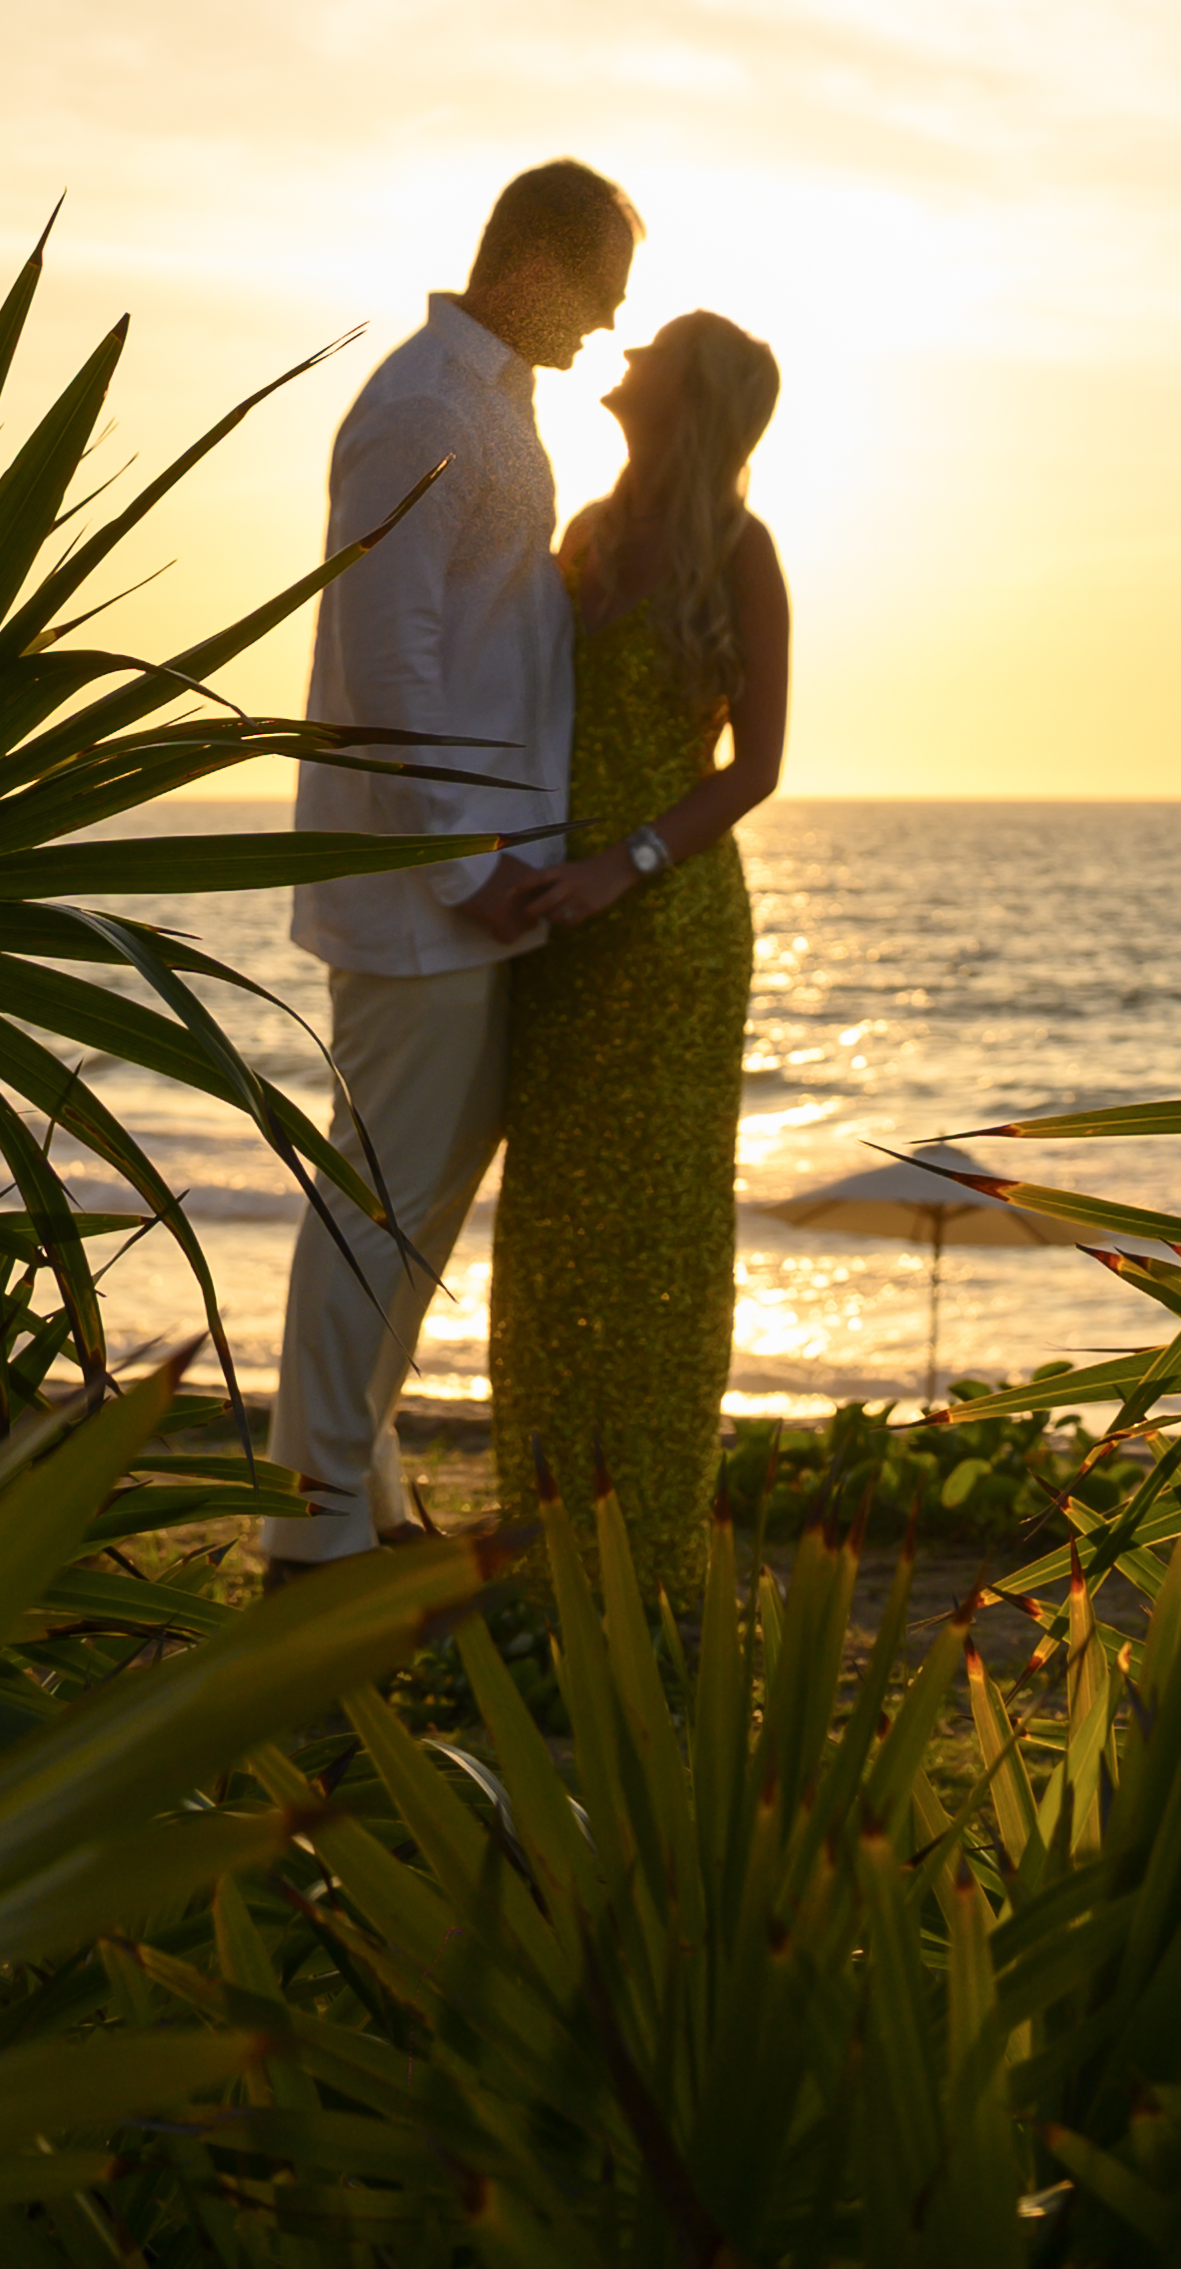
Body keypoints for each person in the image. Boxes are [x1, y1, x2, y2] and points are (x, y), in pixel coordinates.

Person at [260, 154, 640, 1568]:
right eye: (600, 289)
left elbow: (480, 639)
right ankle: (312, 1535)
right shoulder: (420, 407)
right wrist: (465, 860)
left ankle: (361, 1496)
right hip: (427, 894)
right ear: (535, 261)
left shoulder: (491, 406)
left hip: (477, 881)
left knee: (404, 1215)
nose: (605, 321)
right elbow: (387, 662)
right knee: (376, 1211)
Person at [487, 307, 789, 1605]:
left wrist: (627, 865)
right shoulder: (589, 532)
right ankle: (546, 1540)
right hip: (563, 921)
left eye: (656, 346)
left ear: (693, 393)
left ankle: (650, 1569)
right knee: (552, 1228)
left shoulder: (742, 550)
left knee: (659, 1241)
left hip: (670, 932)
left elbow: (761, 765)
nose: (629, 353)